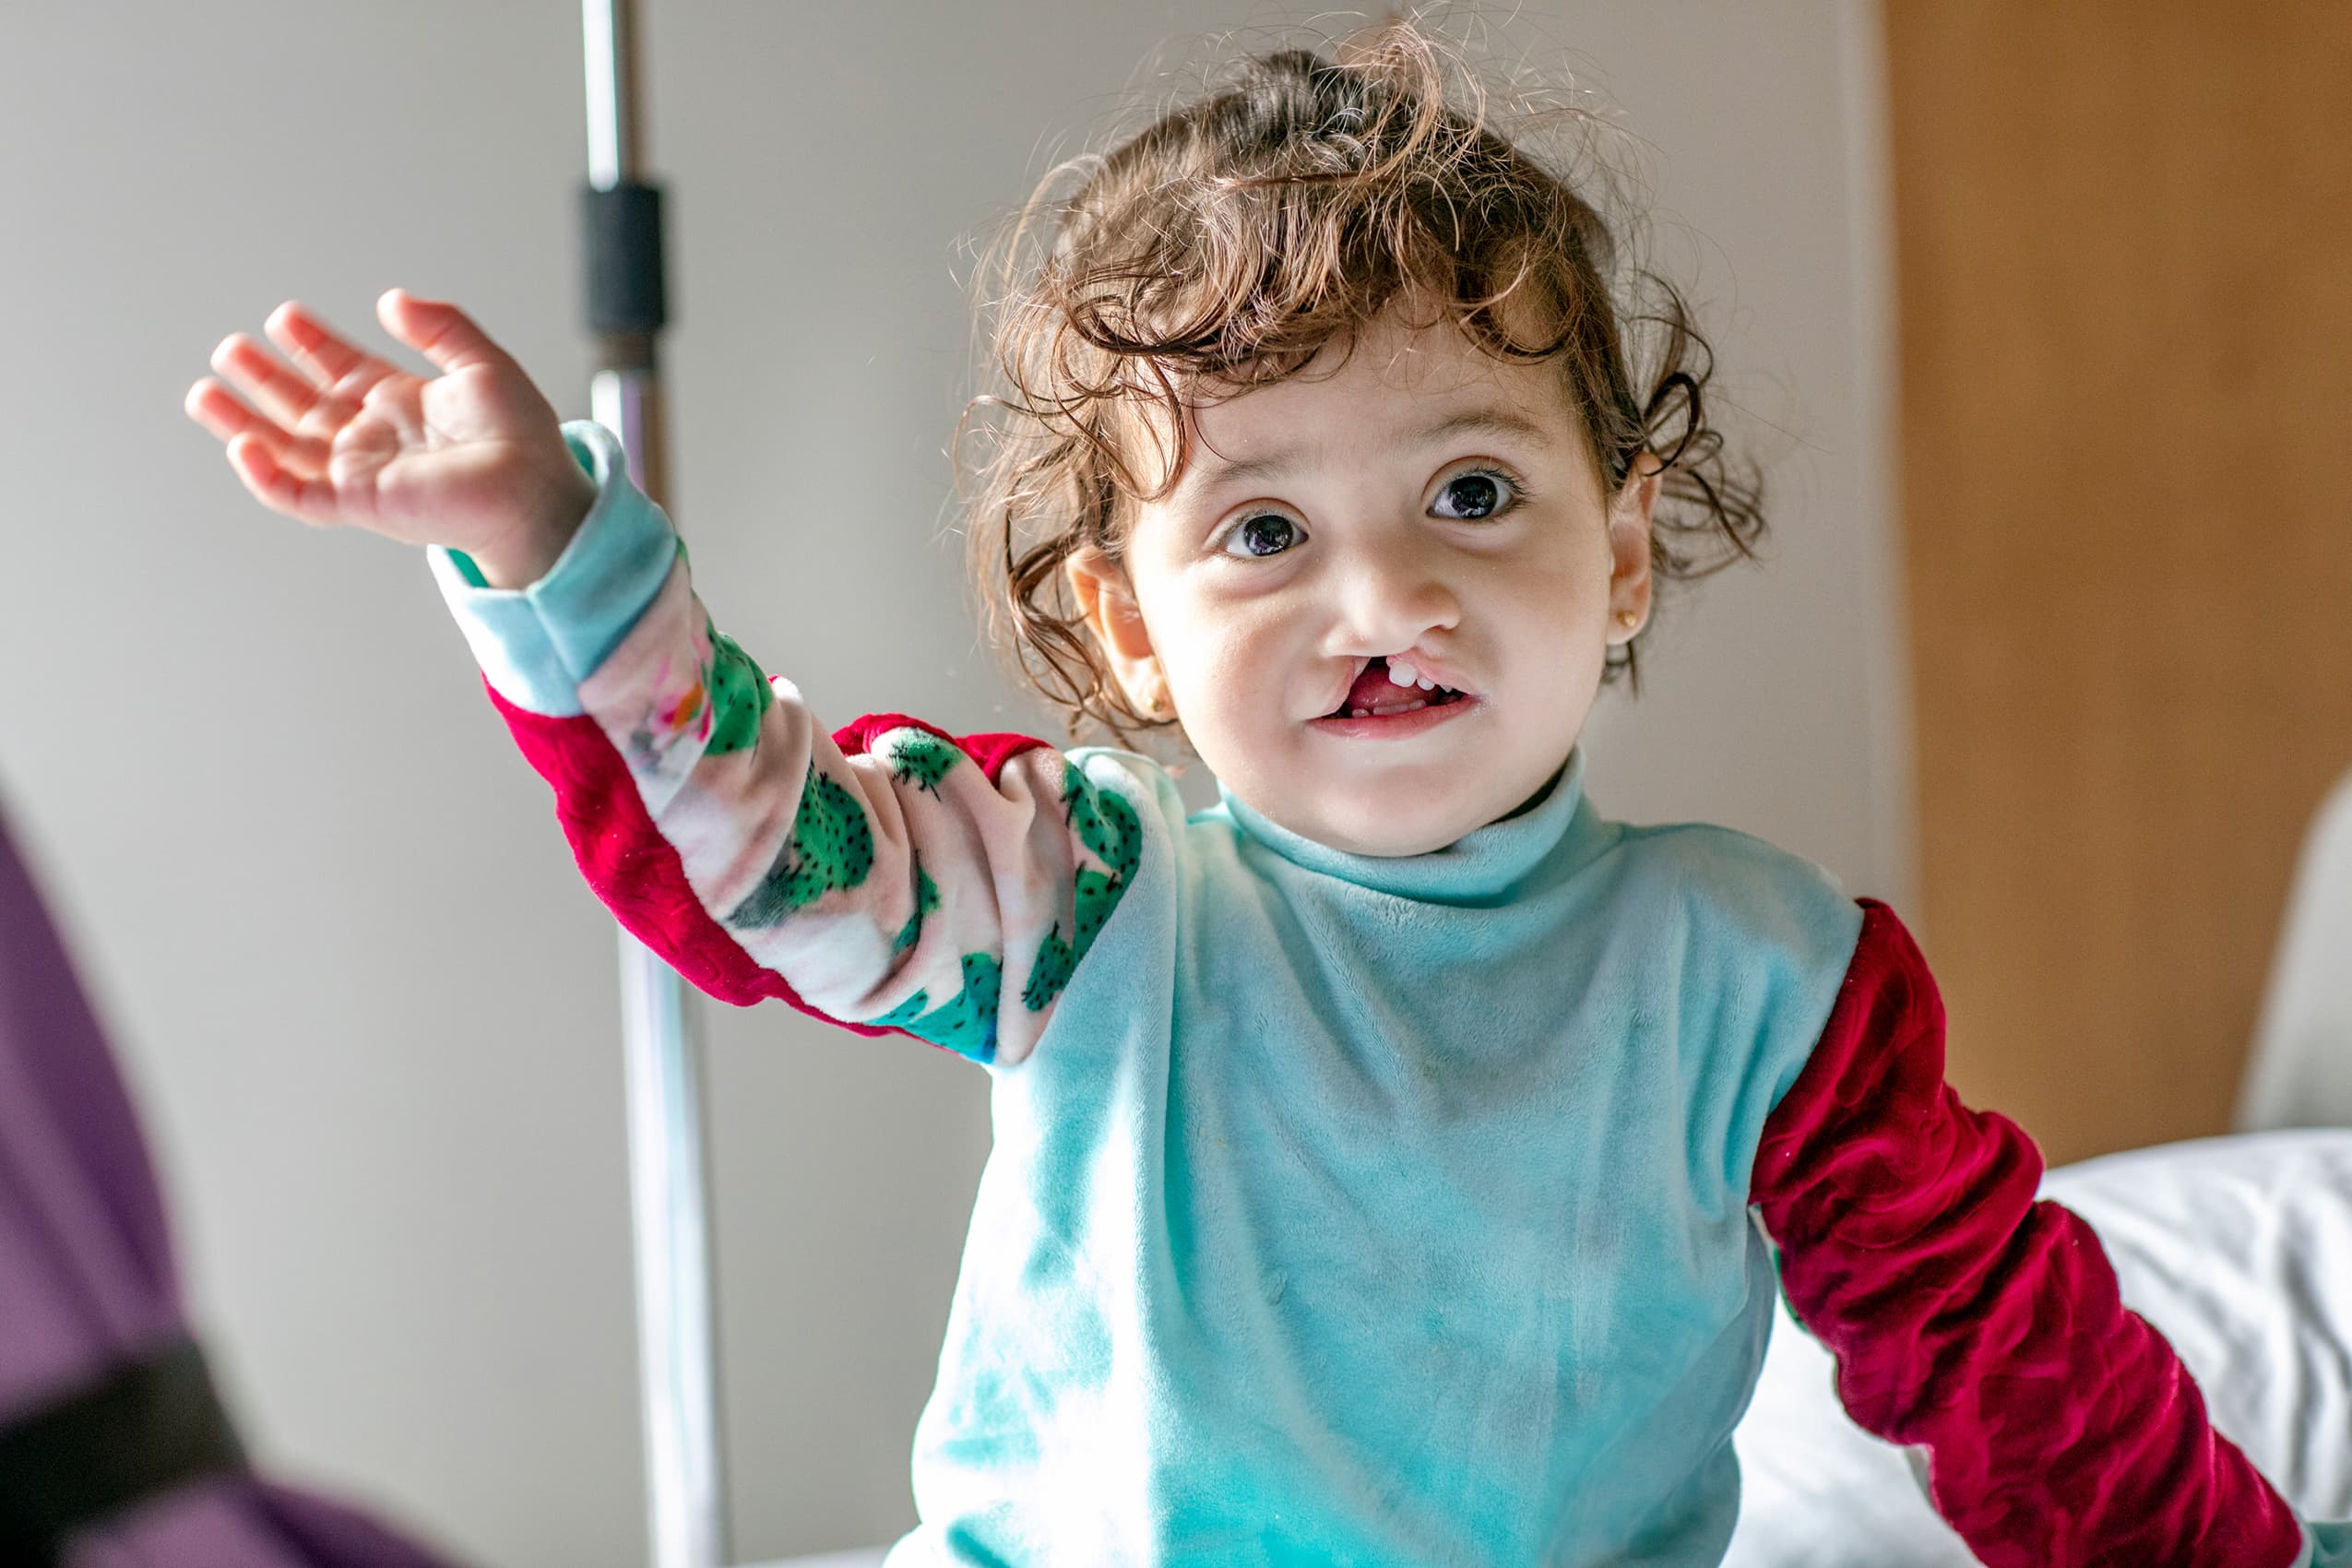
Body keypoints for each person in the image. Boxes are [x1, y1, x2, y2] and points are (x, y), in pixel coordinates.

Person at [181, 24, 2348, 1568]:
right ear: (1130, 640)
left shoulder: (1770, 976)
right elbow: (756, 849)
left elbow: (2009, 1357)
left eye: (1472, 491)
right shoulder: (1094, 890)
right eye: (1259, 533)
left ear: (1619, 553)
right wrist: (559, 537)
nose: (1381, 591)